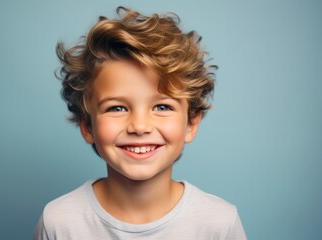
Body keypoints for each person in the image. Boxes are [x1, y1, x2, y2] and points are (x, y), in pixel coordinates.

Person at [34, 6, 247, 240]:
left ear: (191, 123)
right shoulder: (59, 222)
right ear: (87, 125)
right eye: (117, 108)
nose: (139, 126)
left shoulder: (219, 223)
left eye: (162, 107)